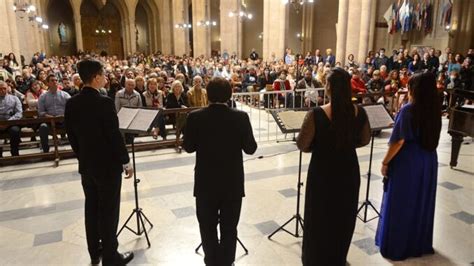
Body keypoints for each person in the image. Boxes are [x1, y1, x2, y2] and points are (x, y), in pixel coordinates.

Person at [296, 68, 370, 266]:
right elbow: (365, 140)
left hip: (323, 171)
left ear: (328, 87)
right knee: (343, 216)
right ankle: (337, 259)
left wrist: (321, 146)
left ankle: (315, 260)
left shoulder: (316, 114)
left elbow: (302, 144)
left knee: (319, 216)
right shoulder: (359, 112)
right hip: (348, 170)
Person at [64, 59, 134, 266]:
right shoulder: (104, 103)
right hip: (107, 167)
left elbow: (71, 135)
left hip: (87, 166)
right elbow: (113, 136)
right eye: (103, 74)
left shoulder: (72, 103)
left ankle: (95, 252)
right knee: (109, 211)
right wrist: (125, 161)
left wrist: (82, 156)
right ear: (95, 77)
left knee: (92, 208)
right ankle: (111, 257)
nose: (105, 78)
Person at [183, 77, 257, 266]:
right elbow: (250, 149)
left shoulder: (195, 117)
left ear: (208, 94)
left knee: (207, 227)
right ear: (229, 95)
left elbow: (189, 147)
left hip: (205, 182)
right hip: (231, 182)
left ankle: (212, 261)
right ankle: (227, 262)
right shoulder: (240, 117)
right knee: (229, 228)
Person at [375, 72, 441, 261]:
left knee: (402, 202)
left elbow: (399, 141)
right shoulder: (434, 108)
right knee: (420, 200)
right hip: (428, 160)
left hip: (408, 162)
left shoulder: (408, 110)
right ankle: (417, 242)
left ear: (415, 90)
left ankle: (397, 245)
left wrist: (385, 161)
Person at [37, 74, 71, 153]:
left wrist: (64, 115)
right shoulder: (43, 97)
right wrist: (50, 117)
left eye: (56, 80)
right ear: (48, 83)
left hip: (63, 120)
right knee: (42, 127)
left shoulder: (65, 95)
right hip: (49, 121)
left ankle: (76, 148)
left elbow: (71, 109)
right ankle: (46, 151)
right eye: (52, 80)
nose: (55, 82)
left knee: (75, 123)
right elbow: (41, 112)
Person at [0, 81, 22, 158]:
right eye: (0, 89)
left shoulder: (14, 98)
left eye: (4, 88)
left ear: (7, 88)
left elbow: (19, 113)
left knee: (15, 131)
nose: (2, 90)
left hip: (11, 123)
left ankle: (14, 152)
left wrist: (8, 122)